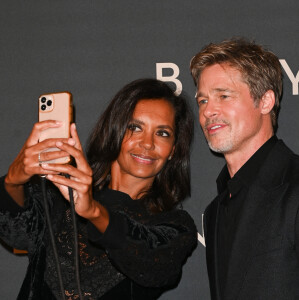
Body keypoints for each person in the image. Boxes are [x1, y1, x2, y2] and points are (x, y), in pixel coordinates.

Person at [0, 78, 197, 299]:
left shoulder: (173, 226)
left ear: (173, 150)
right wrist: (13, 181)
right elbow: (15, 233)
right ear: (115, 130)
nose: (147, 143)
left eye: (162, 133)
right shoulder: (58, 196)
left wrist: (93, 211)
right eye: (135, 127)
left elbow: (152, 265)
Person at [190, 38, 299, 300]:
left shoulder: (296, 186)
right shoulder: (216, 211)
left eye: (223, 96)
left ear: (265, 101)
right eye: (202, 101)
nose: (208, 111)